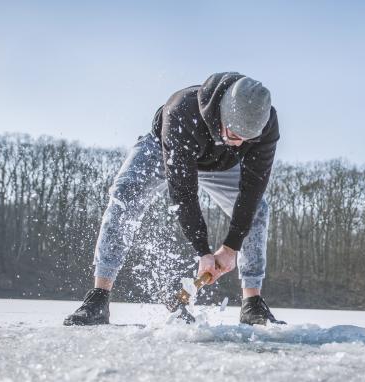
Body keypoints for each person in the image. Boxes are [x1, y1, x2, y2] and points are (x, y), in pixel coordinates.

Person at [63, 72, 285, 326]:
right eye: (235, 136)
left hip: (221, 166)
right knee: (125, 194)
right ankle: (98, 297)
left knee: (259, 210)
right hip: (164, 149)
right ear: (222, 114)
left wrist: (231, 247)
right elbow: (183, 191)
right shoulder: (182, 110)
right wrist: (203, 250)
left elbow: (252, 189)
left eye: (248, 140)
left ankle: (252, 303)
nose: (240, 145)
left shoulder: (266, 124)